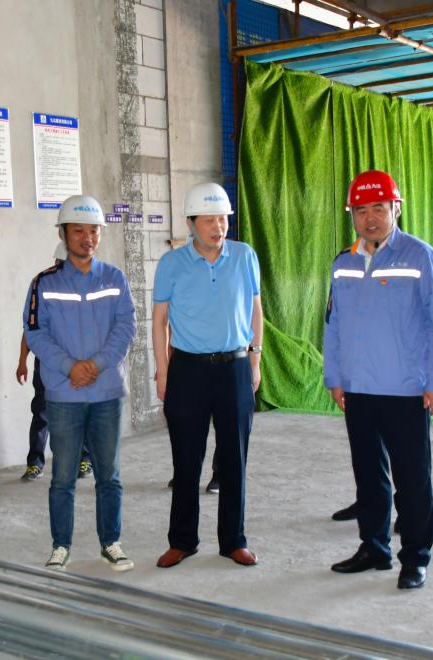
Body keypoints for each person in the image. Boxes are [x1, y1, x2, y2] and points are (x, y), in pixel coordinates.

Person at [322, 169, 433, 590]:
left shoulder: (420, 257)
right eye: (361, 210)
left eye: (378, 208)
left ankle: (415, 558)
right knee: (369, 476)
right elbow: (333, 324)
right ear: (352, 215)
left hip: (406, 389)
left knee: (412, 480)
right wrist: (335, 376)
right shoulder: (343, 262)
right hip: (358, 389)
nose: (370, 218)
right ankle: (374, 547)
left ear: (395, 208)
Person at [153, 182, 263, 569]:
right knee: (186, 460)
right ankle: (182, 541)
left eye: (222, 219)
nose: (218, 227)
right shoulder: (171, 264)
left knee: (234, 460)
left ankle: (234, 541)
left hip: (234, 367)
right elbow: (159, 321)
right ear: (190, 223)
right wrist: (162, 371)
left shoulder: (244, 256)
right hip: (187, 370)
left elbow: (255, 309)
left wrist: (255, 359)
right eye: (209, 220)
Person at [23, 195, 136, 572]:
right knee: (63, 477)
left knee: (109, 475)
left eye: (94, 231)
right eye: (78, 231)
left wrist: (97, 364)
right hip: (64, 394)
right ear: (63, 234)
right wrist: (70, 367)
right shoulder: (44, 283)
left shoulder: (114, 278)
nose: (87, 238)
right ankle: (60, 546)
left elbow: (126, 327)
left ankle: (111, 543)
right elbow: (35, 333)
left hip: (106, 392)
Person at [18, 244, 92, 482]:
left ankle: (84, 458)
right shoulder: (42, 287)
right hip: (48, 364)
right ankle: (35, 463)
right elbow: (30, 328)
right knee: (42, 413)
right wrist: (22, 361)